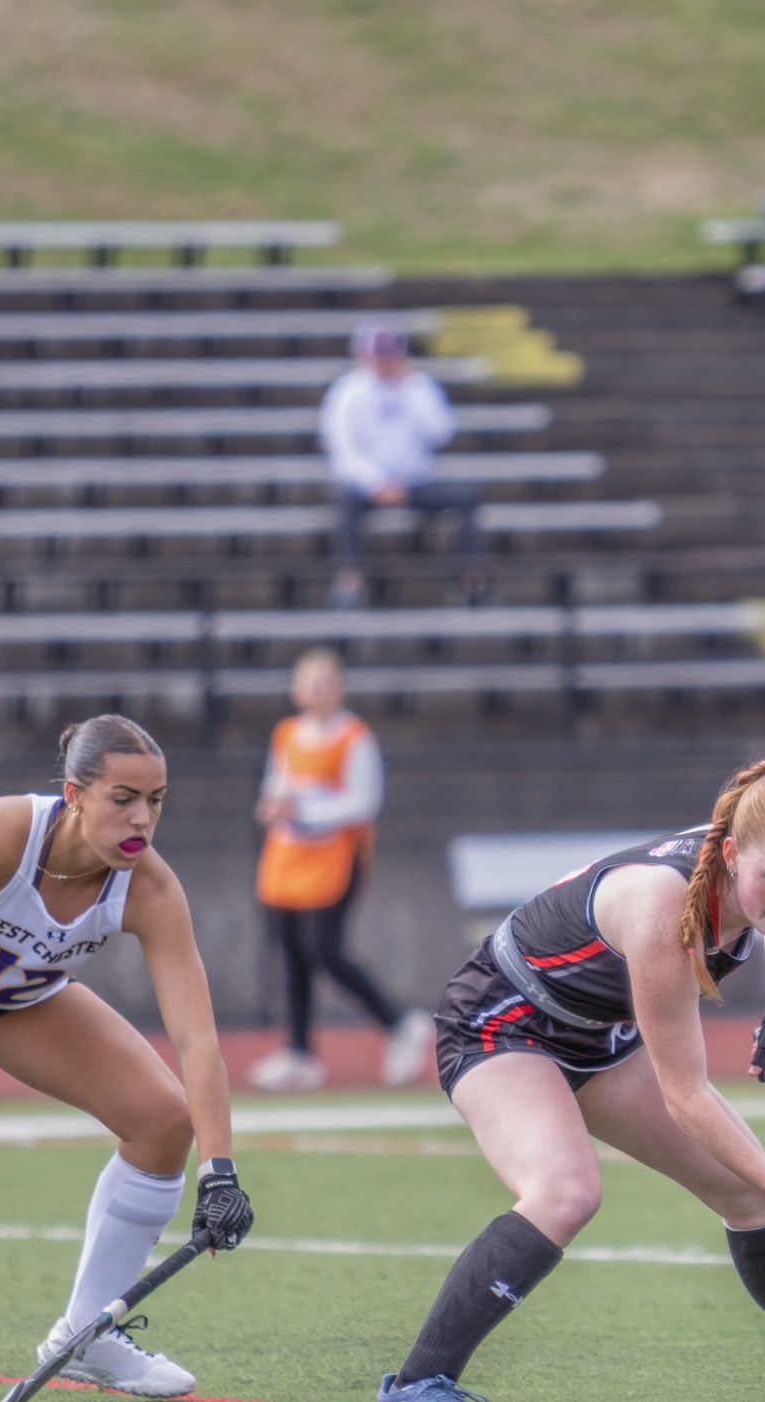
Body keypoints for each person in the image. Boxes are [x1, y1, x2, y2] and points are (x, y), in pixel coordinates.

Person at [369, 757, 765, 1402]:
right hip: (500, 1022)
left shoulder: (763, 862)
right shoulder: (663, 910)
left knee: (743, 1190)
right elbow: (685, 1095)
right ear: (730, 856)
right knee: (566, 1190)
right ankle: (414, 1387)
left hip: (596, 1035)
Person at [0, 715, 253, 1397]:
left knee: (163, 1120)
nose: (143, 818)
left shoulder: (151, 889)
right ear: (75, 795)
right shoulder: (0, 839)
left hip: (14, 1001)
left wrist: (219, 1170)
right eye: (122, 798)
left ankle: (85, 1338)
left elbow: (197, 1039)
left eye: (156, 800)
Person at [248, 648, 434, 1092]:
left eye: (324, 682)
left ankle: (399, 1023)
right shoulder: (287, 733)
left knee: (326, 950)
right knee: (292, 952)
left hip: (333, 859)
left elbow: (363, 802)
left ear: (339, 688)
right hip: (287, 858)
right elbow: (275, 783)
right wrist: (274, 805)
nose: (315, 691)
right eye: (308, 682)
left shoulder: (354, 737)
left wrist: (308, 810)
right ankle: (299, 1052)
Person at [318, 319, 488, 611]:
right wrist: (376, 483)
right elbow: (343, 451)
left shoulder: (420, 387)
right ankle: (349, 584)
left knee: (467, 497)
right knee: (345, 501)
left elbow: (441, 432)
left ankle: (472, 584)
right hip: (368, 486)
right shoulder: (346, 393)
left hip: (414, 483)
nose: (384, 363)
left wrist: (411, 389)